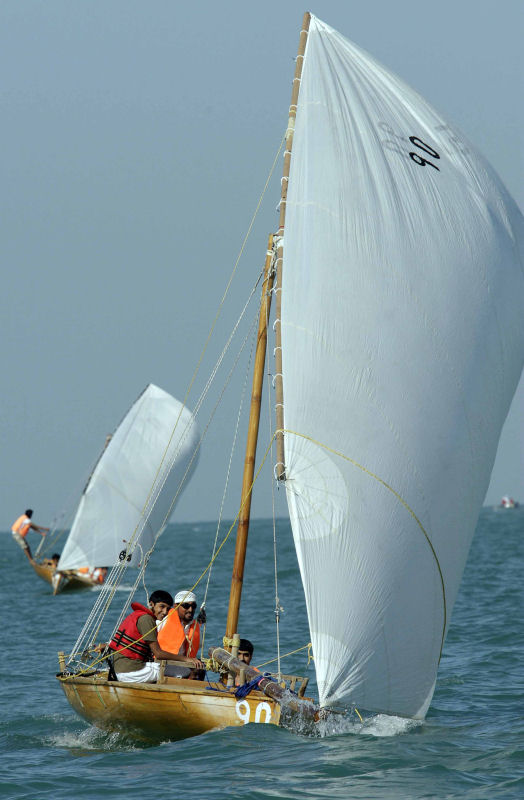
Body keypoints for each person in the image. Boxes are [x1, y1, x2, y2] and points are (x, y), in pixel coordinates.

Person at [108, 590, 204, 683]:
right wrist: (187, 660)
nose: (165, 612)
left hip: (128, 667)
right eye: (186, 606)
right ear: (151, 604)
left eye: (193, 606)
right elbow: (158, 653)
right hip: (131, 669)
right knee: (186, 672)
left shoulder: (141, 616)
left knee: (195, 669)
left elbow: (125, 639)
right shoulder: (153, 620)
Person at [157, 589, 206, 679]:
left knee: (201, 668)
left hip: (183, 664)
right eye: (186, 606)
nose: (190, 610)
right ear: (176, 606)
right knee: (194, 673)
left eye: (193, 606)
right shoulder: (163, 622)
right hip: (163, 664)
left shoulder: (194, 626)